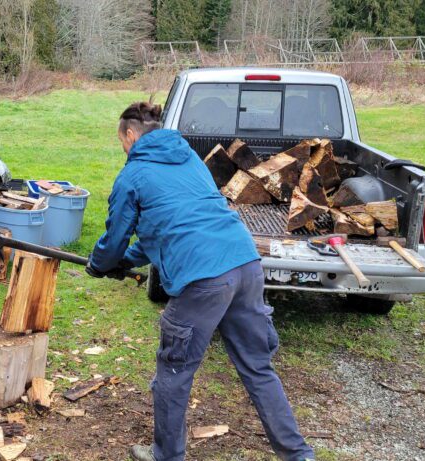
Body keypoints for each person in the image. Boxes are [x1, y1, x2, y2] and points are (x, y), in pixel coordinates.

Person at [87, 102, 316, 461]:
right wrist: (124, 263)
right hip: (245, 262)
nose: (123, 148)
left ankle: (166, 456)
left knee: (174, 373)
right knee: (258, 368)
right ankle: (298, 455)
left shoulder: (132, 175)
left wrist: (99, 264)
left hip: (205, 280)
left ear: (130, 135)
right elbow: (165, 231)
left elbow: (116, 237)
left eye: (121, 141)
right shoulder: (190, 159)